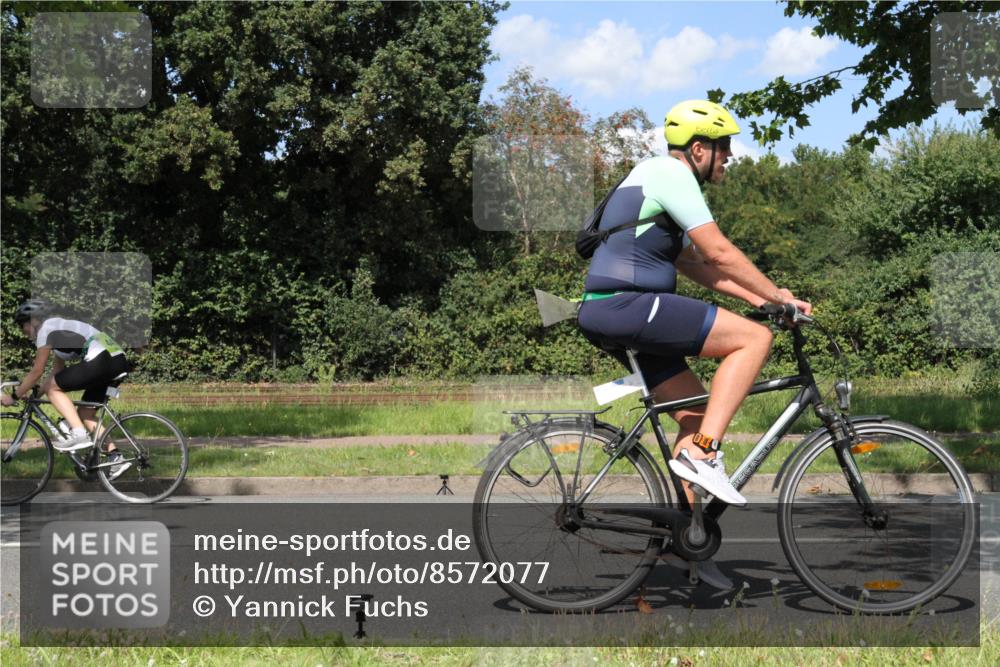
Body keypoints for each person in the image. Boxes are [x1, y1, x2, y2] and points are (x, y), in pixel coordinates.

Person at [578, 100, 812, 583]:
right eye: (723, 148)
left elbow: (695, 265)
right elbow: (720, 250)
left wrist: (769, 297)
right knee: (753, 340)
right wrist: (776, 303)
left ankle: (687, 547)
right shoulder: (670, 172)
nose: (729, 157)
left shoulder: (651, 177)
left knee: (692, 413)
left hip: (615, 307)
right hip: (630, 303)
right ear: (699, 148)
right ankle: (705, 451)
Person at [2, 299, 132, 478]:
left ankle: (79, 434)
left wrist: (14, 397)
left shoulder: (46, 329)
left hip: (102, 360)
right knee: (85, 413)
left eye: (22, 325)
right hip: (116, 360)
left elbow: (37, 371)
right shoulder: (58, 330)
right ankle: (115, 457)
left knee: (53, 390)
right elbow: (55, 373)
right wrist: (33, 393)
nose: (23, 331)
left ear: (32, 321)